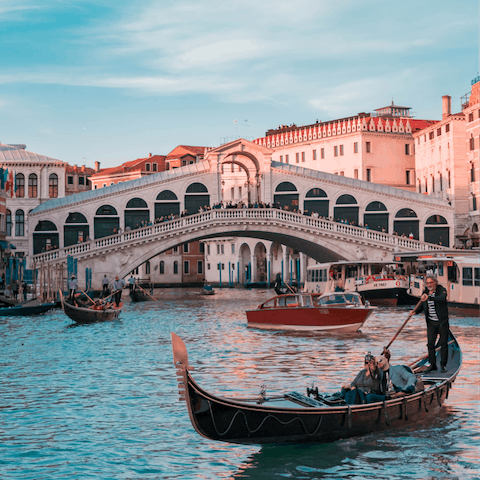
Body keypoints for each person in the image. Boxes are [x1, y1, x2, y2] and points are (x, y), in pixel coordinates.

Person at [407, 274, 449, 373]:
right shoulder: (425, 292)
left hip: (442, 323)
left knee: (443, 344)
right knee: (430, 344)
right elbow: (422, 305)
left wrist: (429, 298)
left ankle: (443, 364)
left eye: (431, 282)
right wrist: (415, 312)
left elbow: (442, 299)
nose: (429, 284)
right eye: (428, 283)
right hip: (431, 323)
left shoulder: (441, 290)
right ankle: (432, 364)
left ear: (435, 283)